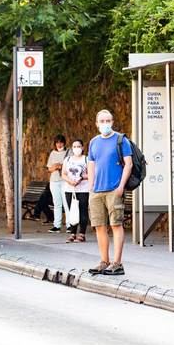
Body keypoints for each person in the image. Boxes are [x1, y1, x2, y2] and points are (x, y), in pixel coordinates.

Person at [87, 110, 132, 276]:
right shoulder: (94, 142)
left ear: (112, 122)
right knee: (99, 226)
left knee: (116, 224)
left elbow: (128, 164)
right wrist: (91, 185)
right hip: (97, 191)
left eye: (108, 120)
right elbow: (91, 163)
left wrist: (121, 186)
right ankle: (104, 261)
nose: (105, 124)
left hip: (114, 189)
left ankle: (117, 263)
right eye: (102, 121)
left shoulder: (121, 140)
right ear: (97, 123)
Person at [62, 139, 90, 243]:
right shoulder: (67, 159)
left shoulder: (86, 159)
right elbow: (63, 174)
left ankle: (82, 233)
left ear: (82, 147)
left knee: (83, 210)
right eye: (74, 146)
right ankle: (72, 233)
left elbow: (92, 174)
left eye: (78, 146)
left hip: (83, 189)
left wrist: (82, 178)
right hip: (69, 189)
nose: (76, 148)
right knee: (72, 210)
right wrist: (70, 181)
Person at [46, 134, 69, 233]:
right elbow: (49, 168)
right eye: (57, 142)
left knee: (67, 203)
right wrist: (55, 167)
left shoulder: (69, 153)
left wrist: (61, 166)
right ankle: (57, 225)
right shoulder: (53, 153)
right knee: (57, 204)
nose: (59, 144)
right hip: (54, 181)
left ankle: (70, 225)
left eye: (61, 142)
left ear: (64, 143)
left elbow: (71, 166)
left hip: (65, 181)